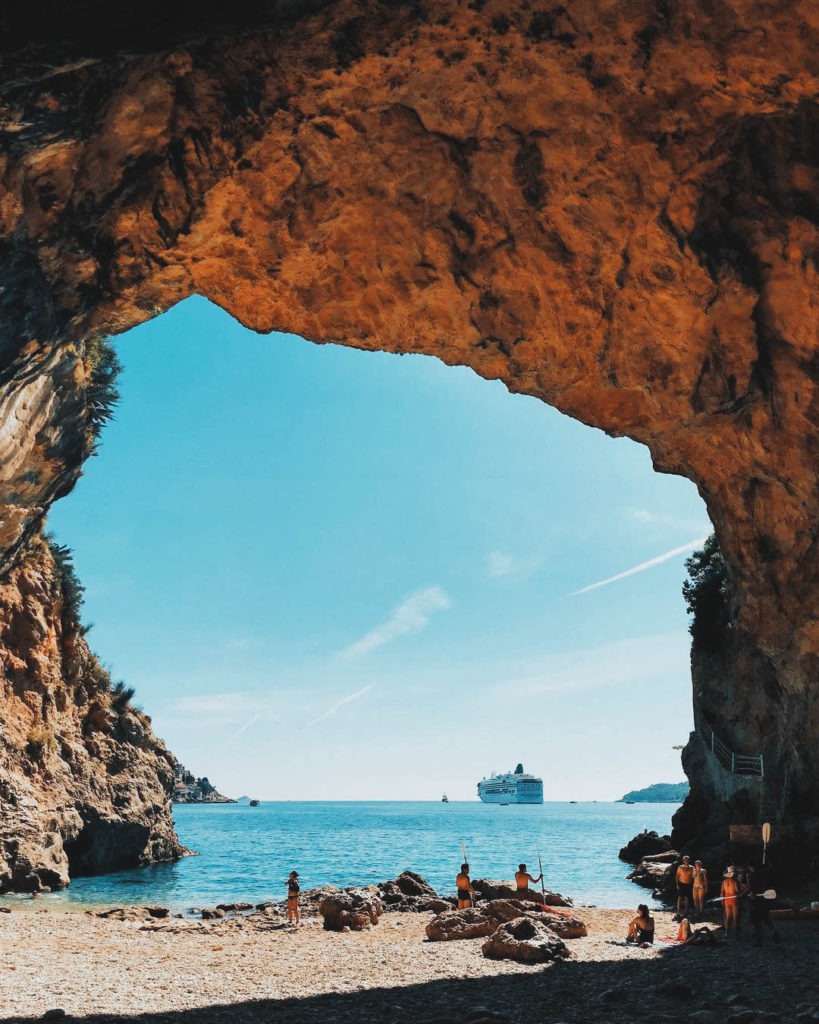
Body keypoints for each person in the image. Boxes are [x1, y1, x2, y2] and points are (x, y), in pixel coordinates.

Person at [746, 864, 780, 947]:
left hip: (756, 900)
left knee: (757, 921)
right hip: (764, 900)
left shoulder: (750, 875)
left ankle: (758, 941)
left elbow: (750, 888)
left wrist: (745, 894)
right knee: (765, 918)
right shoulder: (764, 874)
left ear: (751, 867)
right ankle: (774, 932)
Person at [721, 865, 741, 939]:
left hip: (727, 899)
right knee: (736, 917)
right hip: (734, 899)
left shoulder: (724, 882)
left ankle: (727, 932)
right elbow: (737, 891)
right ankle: (736, 934)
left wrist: (722, 901)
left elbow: (722, 892)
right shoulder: (735, 881)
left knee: (728, 917)